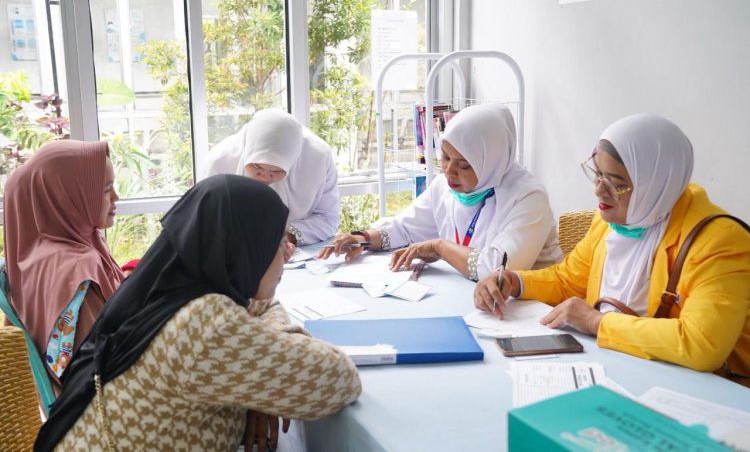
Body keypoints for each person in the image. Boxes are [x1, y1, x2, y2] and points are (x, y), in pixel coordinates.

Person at [35, 175, 362, 451]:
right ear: (245, 250)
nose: (285, 258)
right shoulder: (207, 325)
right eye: (276, 245)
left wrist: (263, 368)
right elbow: (338, 380)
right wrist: (268, 370)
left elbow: (263, 306)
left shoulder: (169, 288)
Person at [474, 114, 750, 378]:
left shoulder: (720, 241)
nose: (598, 190)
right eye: (597, 174)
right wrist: (515, 282)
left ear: (656, 185)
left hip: (704, 388)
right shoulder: (614, 220)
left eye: (616, 184)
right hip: (617, 365)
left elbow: (701, 344)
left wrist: (596, 322)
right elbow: (569, 280)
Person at [320, 103, 562, 281]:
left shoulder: (529, 198)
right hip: (472, 297)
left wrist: (440, 248)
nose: (449, 171)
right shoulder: (446, 187)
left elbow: (497, 269)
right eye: (445, 157)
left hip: (531, 309)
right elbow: (406, 228)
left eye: (464, 165)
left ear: (491, 162)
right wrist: (362, 238)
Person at [3, 140, 124, 387]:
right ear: (66, 197)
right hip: (101, 400)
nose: (116, 196)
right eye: (105, 189)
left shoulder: (38, 254)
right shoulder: (77, 267)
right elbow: (102, 362)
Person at [202, 109, 340, 258]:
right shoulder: (219, 162)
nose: (265, 177)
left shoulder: (318, 158)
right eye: (257, 167)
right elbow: (208, 225)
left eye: (276, 170)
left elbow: (328, 218)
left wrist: (288, 236)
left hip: (300, 255)